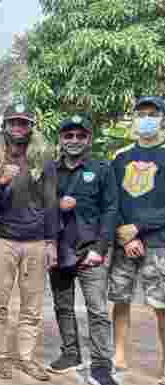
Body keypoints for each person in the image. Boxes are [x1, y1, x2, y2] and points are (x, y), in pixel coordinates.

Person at [0, 102, 57, 381]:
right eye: (13, 122)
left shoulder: (43, 161)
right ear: (5, 126)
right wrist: (0, 181)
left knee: (32, 306)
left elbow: (50, 203)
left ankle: (26, 358)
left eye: (23, 123)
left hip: (35, 242)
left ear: (31, 127)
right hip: (2, 241)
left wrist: (52, 242)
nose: (18, 128)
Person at [45, 115, 118, 385]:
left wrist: (100, 248)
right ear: (61, 139)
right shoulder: (50, 170)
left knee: (97, 310)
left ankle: (100, 365)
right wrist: (49, 242)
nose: (73, 140)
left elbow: (111, 210)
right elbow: (41, 208)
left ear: (88, 139)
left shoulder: (102, 169)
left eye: (79, 136)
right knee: (63, 307)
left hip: (91, 253)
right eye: (68, 135)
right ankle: (71, 354)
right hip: (60, 251)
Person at [110, 96, 165, 385]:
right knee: (120, 300)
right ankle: (118, 357)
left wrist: (139, 228)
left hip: (158, 244)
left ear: (161, 119)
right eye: (141, 113)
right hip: (124, 245)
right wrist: (123, 232)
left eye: (152, 114)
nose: (146, 118)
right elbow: (112, 200)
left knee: (161, 306)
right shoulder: (121, 158)